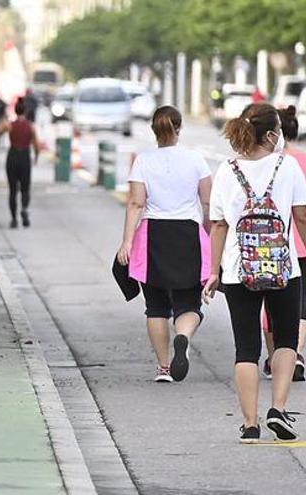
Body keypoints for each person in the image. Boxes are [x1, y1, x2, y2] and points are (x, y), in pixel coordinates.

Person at [203, 102, 306, 443]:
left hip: (237, 270)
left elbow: (218, 224)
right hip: (284, 268)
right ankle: (278, 407)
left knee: (245, 347)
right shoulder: (287, 166)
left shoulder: (226, 170)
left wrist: (214, 270)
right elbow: (301, 217)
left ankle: (250, 423)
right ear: (273, 134)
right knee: (286, 340)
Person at [116, 106, 212, 383]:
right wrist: (206, 232)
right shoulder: (196, 159)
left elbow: (136, 203)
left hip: (153, 235)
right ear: (179, 129)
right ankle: (183, 336)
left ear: (153, 130)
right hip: (188, 235)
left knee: (155, 306)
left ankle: (163, 367)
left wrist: (127, 241)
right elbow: (207, 202)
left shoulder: (143, 161)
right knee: (189, 303)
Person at [260, 105, 306, 382]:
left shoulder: (265, 164)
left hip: (270, 246)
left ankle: (273, 357)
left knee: (270, 305)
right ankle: (296, 353)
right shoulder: (301, 161)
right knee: (302, 305)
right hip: (302, 244)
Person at [0, 100, 40, 228]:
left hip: (13, 156)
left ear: (15, 111)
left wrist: (2, 122)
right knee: (25, 189)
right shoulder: (31, 126)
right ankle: (24, 209)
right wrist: (36, 157)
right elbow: (37, 145)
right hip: (25, 157)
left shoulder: (10, 125)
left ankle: (14, 219)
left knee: (12, 190)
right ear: (25, 111)